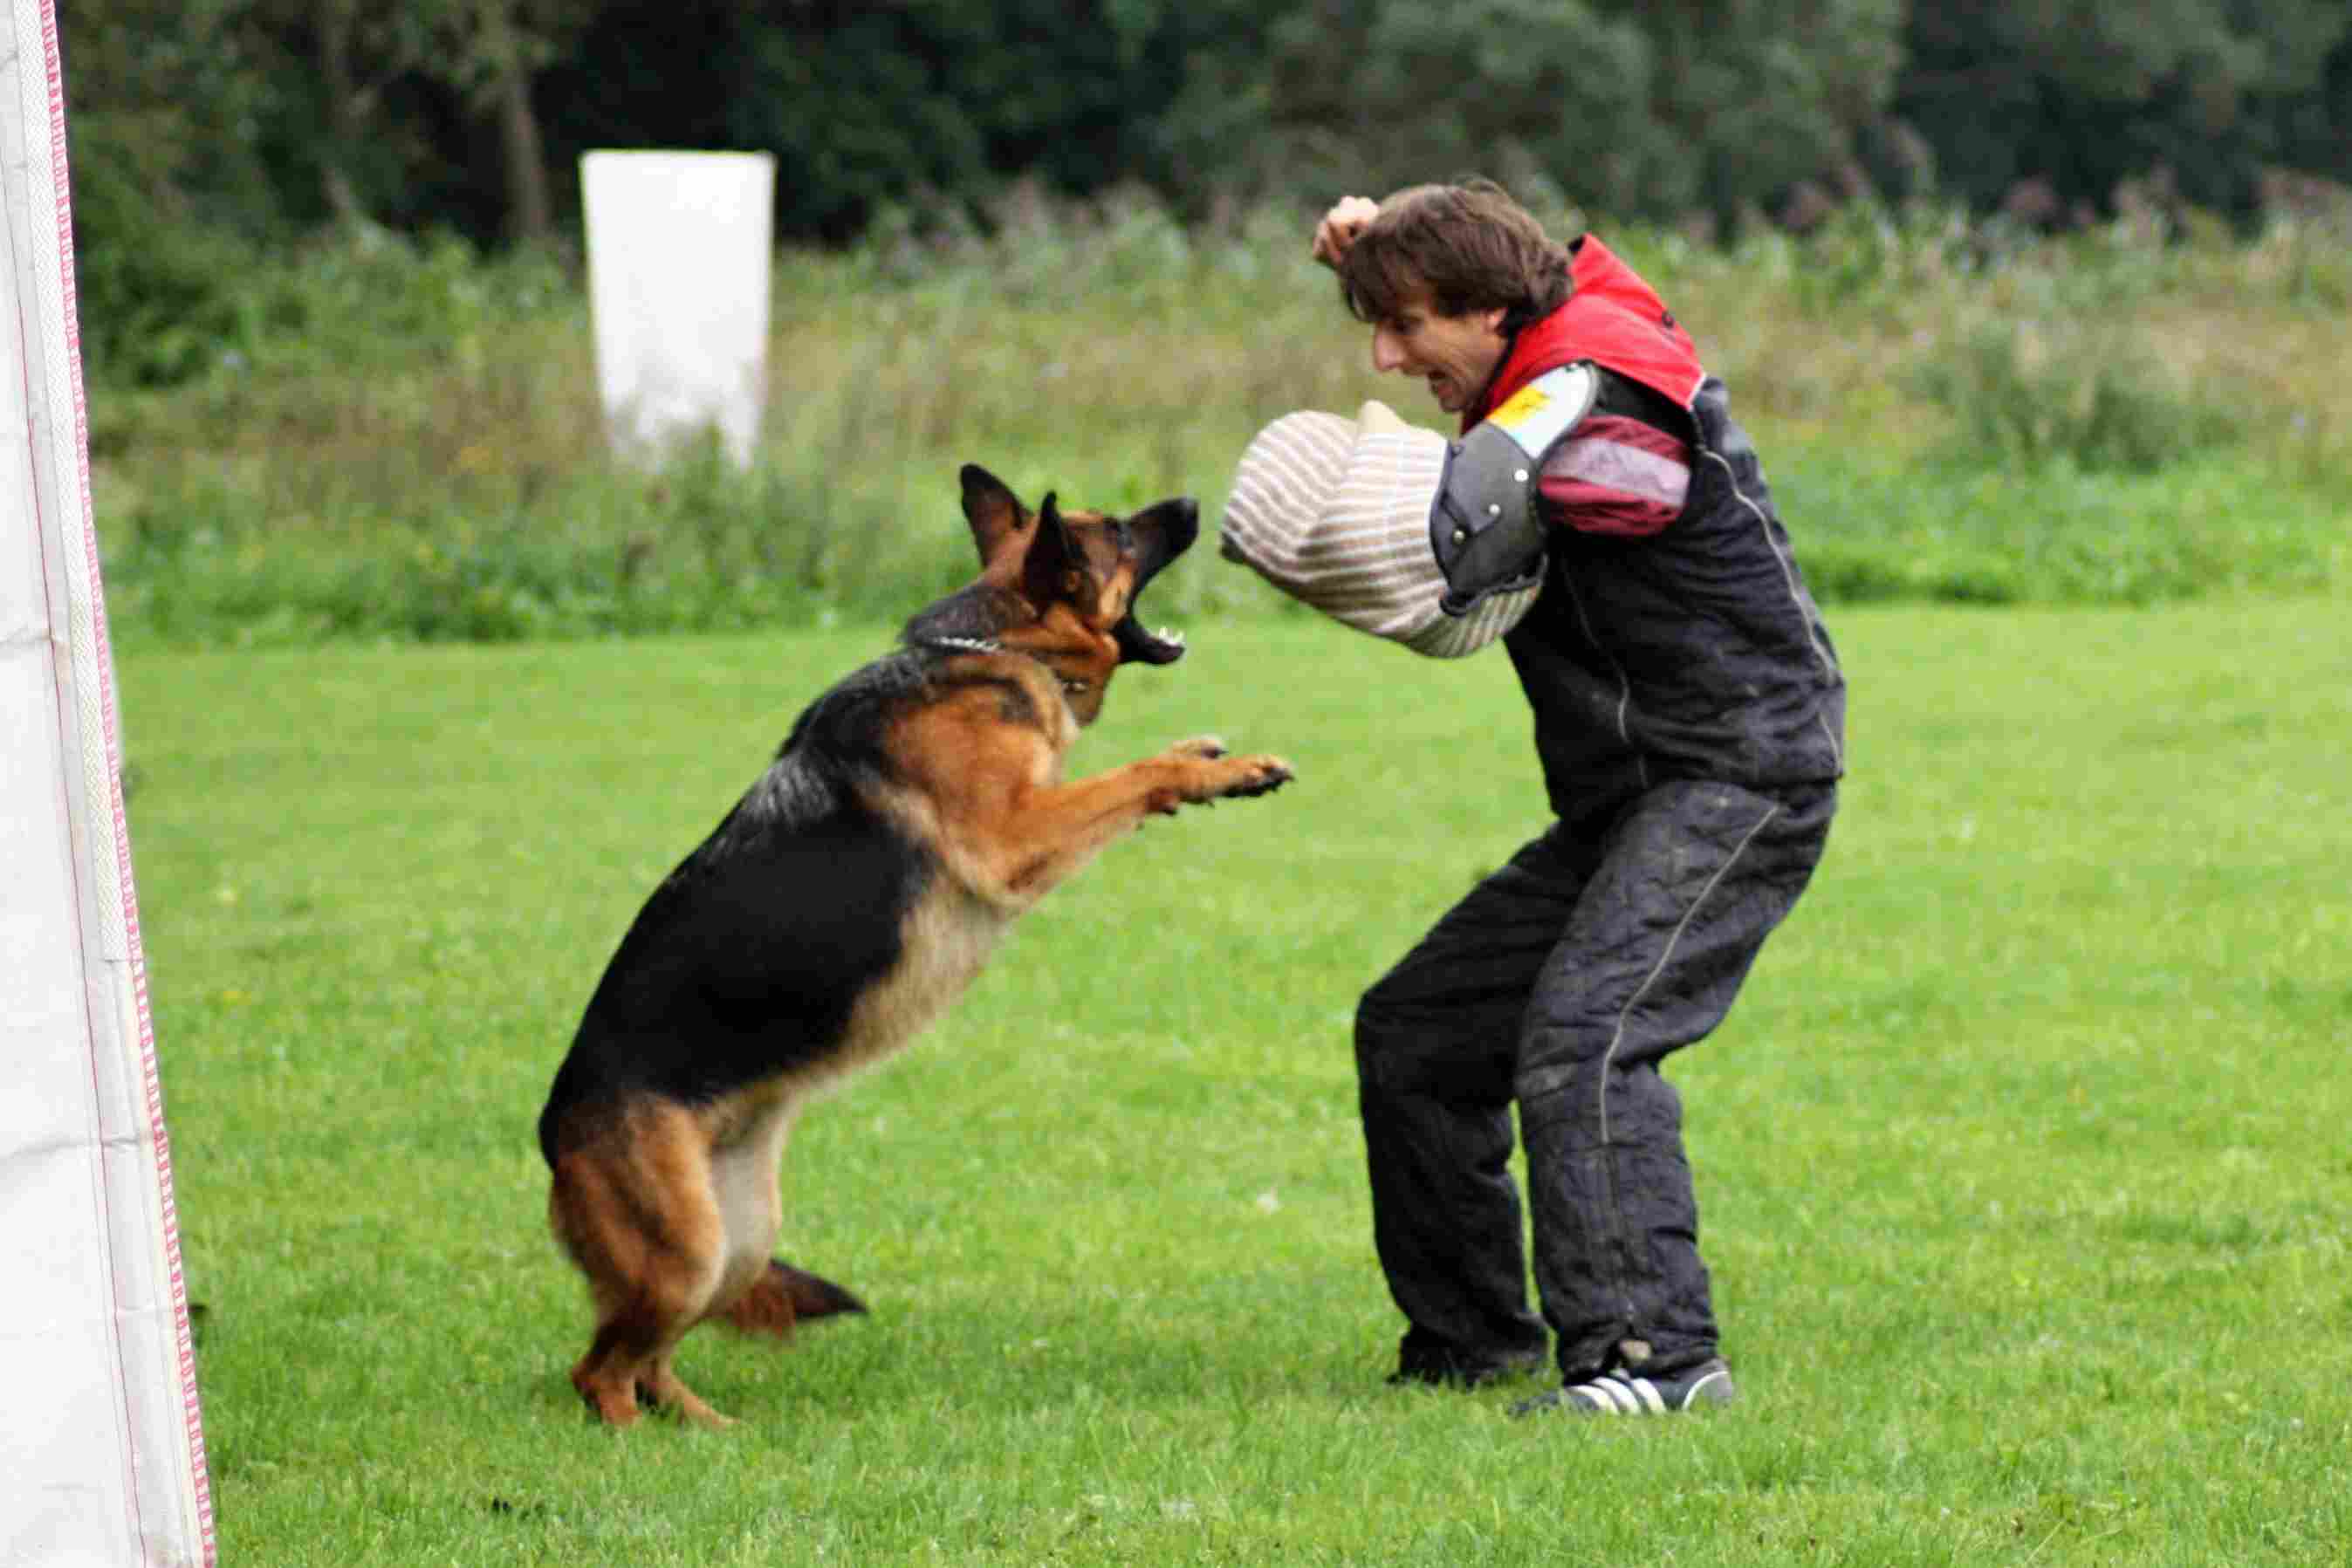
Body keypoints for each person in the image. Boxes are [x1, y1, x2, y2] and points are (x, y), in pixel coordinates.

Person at [1257, 180, 1847, 1416]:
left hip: (1737, 772)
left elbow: (1623, 470)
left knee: (1588, 1042)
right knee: (1417, 1037)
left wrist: (1491, 495)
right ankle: (1471, 1347)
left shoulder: (1601, 381)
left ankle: (1657, 1366)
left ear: (1488, 311)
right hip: (1627, 796)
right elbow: (1506, 273)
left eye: (1407, 326)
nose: (1385, 355)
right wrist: (1381, 250)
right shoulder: (1539, 322)